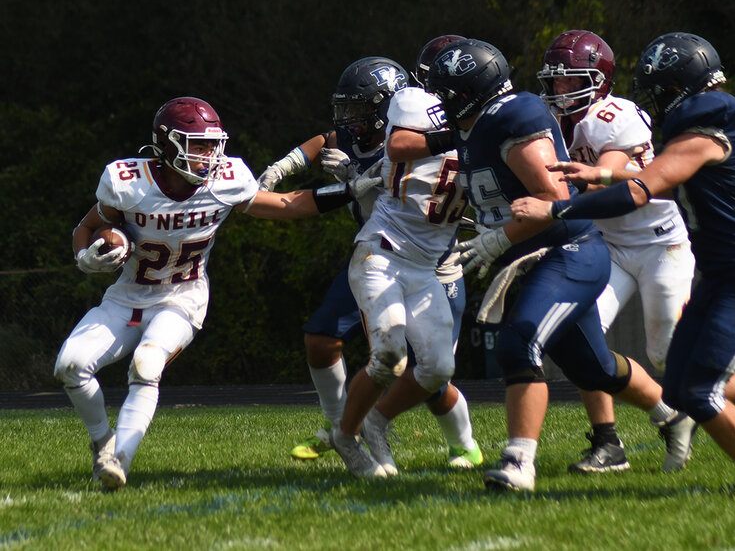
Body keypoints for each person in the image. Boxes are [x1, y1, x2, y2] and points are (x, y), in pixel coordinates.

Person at [511, 32, 735, 493]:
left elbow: (642, 190)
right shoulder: (717, 122)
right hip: (724, 273)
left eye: (658, 89)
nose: (654, 101)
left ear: (679, 85)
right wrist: (603, 172)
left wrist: (556, 209)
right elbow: (661, 178)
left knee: (699, 386)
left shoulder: (707, 122)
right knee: (680, 389)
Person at [55, 96, 378, 491]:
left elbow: (286, 204)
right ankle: (103, 442)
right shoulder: (127, 182)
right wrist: (87, 258)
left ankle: (119, 461)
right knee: (70, 365)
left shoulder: (226, 179)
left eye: (213, 145)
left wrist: (347, 191)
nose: (209, 156)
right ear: (167, 144)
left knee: (146, 363)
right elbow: (85, 230)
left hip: (182, 298)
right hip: (125, 298)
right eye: (198, 145)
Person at [426, 38, 694, 492]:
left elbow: (556, 197)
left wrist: (497, 238)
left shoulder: (513, 118)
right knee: (596, 369)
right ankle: (672, 417)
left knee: (520, 342)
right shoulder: (473, 127)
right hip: (540, 254)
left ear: (471, 91)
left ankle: (519, 462)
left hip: (568, 250)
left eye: (446, 92)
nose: (440, 102)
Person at [257, 53, 482, 470]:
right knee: (369, 351)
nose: (349, 119)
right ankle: (344, 428)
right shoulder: (388, 134)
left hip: (438, 264)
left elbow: (414, 168)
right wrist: (283, 168)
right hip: (381, 250)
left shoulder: (443, 138)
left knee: (431, 373)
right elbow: (327, 140)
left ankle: (463, 443)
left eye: (359, 109)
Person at [537, 30, 696, 473]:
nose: (560, 90)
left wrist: (565, 188)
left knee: (664, 351)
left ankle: (733, 384)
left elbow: (605, 174)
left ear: (600, 79)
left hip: (659, 243)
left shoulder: (616, 113)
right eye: (556, 81)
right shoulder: (552, 123)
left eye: (571, 80)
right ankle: (608, 443)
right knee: (580, 339)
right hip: (608, 246)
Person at [331, 61, 473, 478]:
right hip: (382, 251)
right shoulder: (415, 104)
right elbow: (398, 146)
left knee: (438, 368)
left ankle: (376, 422)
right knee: (390, 354)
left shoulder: (498, 127)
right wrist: (463, 136)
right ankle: (345, 434)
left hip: (427, 268)